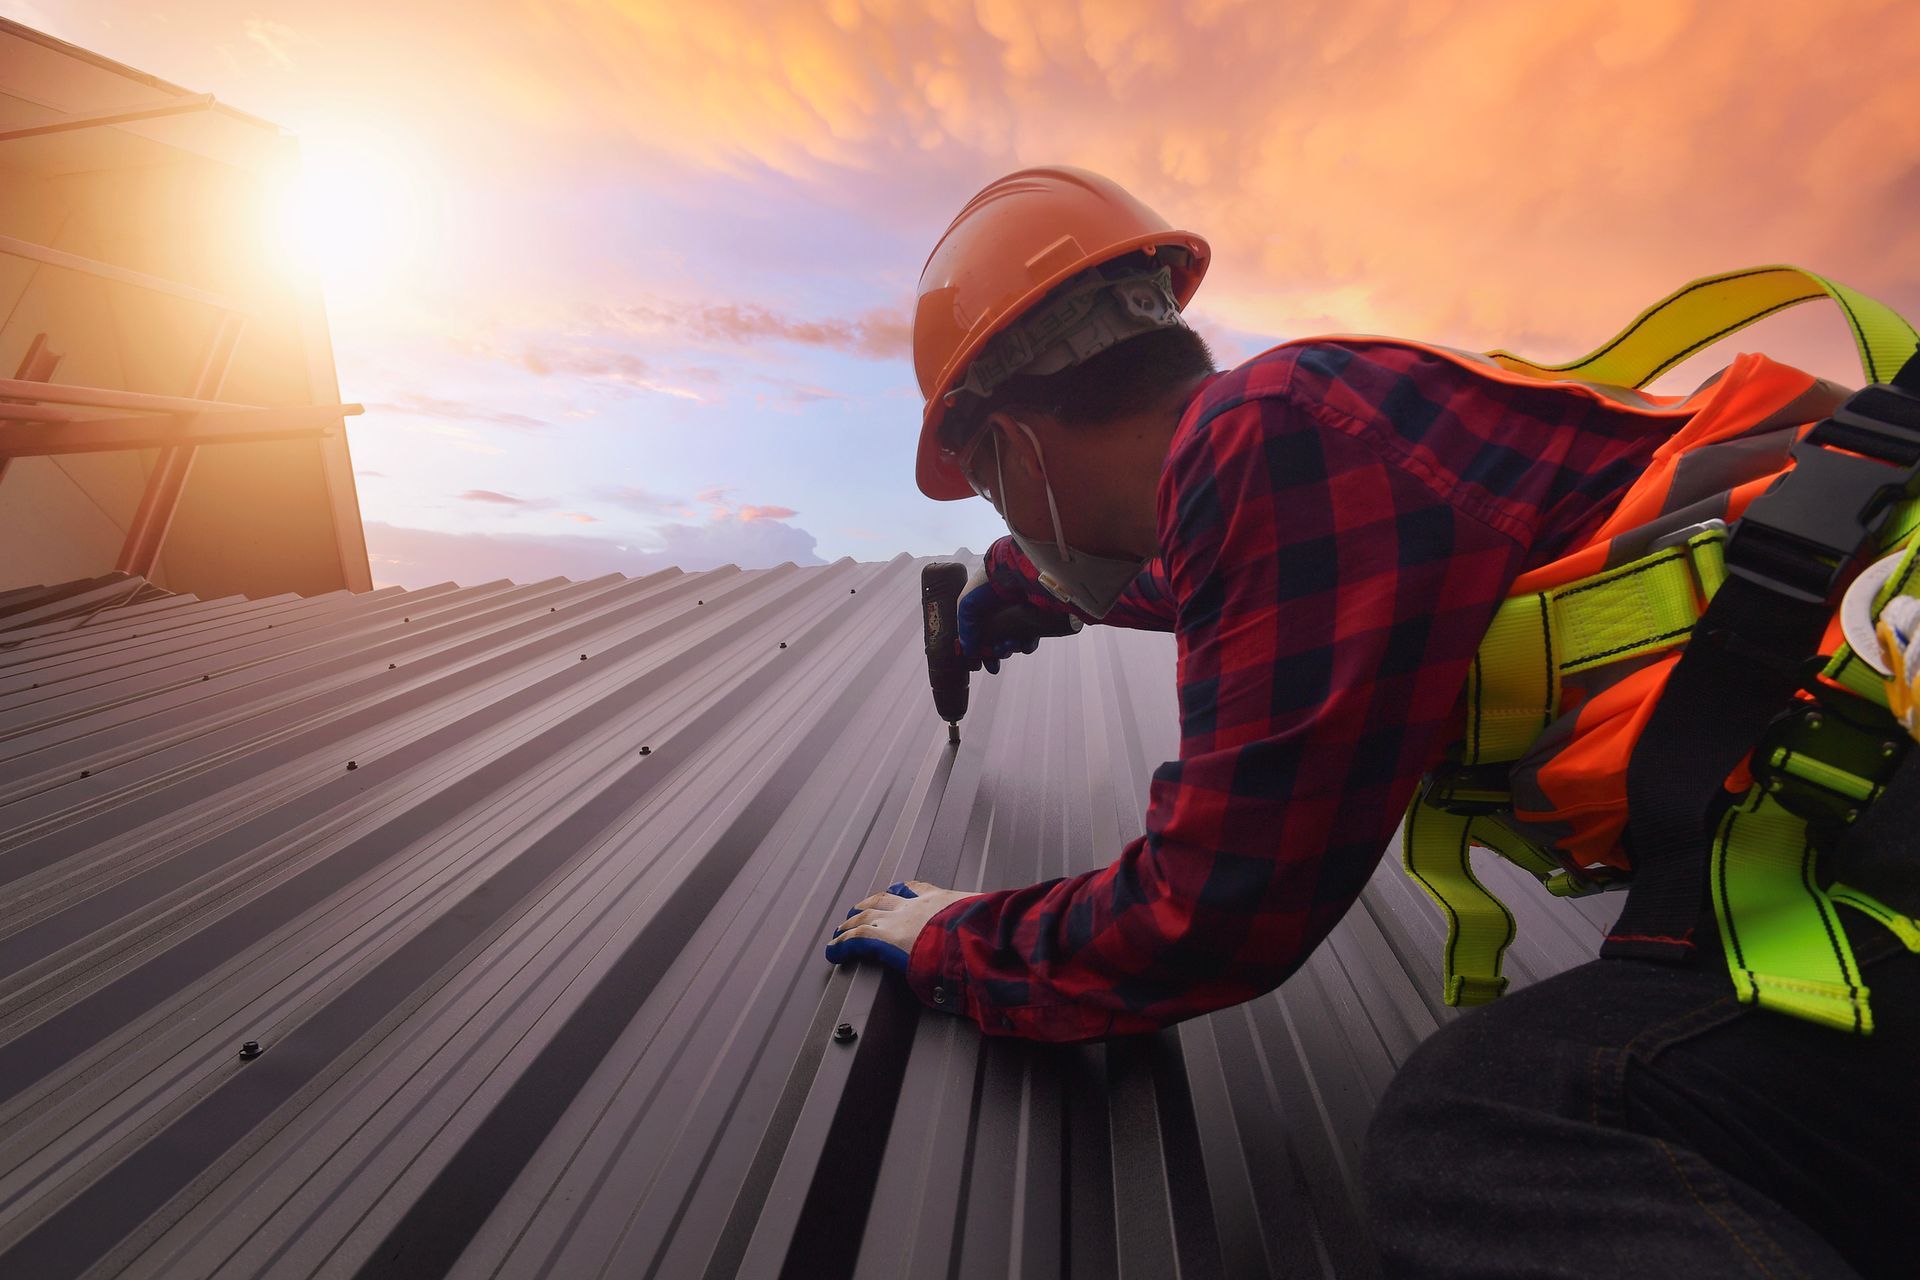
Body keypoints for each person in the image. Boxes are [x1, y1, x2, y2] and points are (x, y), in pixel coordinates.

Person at [822, 165, 1919, 1277]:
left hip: (1892, 839)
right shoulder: (1315, 445)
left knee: (1485, 1138)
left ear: (1006, 448)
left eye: (995, 491)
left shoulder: (1268, 436)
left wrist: (952, 941)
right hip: (1855, 825)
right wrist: (993, 606)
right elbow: (1163, 587)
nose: (1012, 515)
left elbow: (1207, 915)